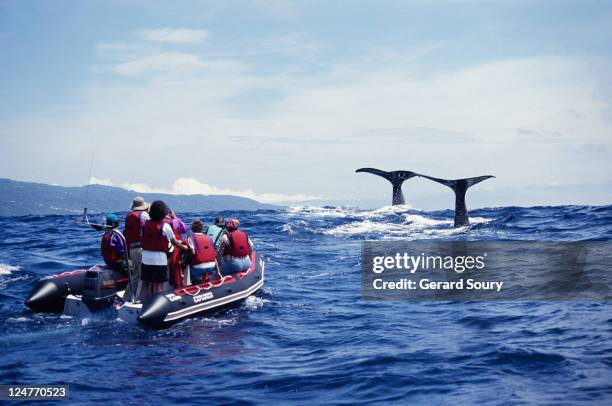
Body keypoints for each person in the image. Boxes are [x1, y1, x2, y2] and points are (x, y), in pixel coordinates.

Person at [140, 200, 188, 301]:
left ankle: (142, 304)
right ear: (163, 213)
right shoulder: (165, 226)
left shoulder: (144, 225)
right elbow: (175, 243)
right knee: (159, 285)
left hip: (145, 258)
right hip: (159, 259)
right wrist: (185, 247)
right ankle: (157, 304)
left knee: (145, 284)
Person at [123, 196, 150, 299]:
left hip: (131, 249)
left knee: (134, 275)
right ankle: (139, 299)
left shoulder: (129, 216)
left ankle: (127, 297)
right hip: (141, 249)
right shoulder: (144, 215)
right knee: (143, 276)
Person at [187, 219, 222, 284]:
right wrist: (218, 272)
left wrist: (188, 262)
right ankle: (206, 282)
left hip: (198, 267)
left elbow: (193, 253)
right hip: (211, 266)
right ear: (202, 228)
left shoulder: (191, 238)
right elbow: (213, 256)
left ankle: (195, 283)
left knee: (193, 272)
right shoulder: (209, 238)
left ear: (192, 228)